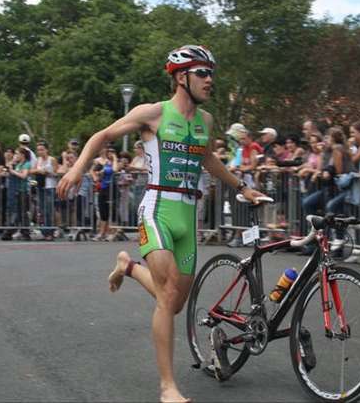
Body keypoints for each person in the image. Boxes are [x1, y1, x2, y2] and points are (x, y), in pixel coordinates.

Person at [57, 45, 266, 403]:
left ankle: (128, 266)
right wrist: (77, 168)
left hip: (189, 217)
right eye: (202, 73)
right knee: (167, 294)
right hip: (157, 210)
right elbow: (101, 136)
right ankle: (168, 388)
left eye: (211, 73)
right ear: (180, 77)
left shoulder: (206, 121)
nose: (209, 80)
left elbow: (208, 160)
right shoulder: (153, 113)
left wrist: (243, 187)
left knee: (175, 303)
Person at [32, 141, 59, 240]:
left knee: (49, 210)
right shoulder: (37, 160)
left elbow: (57, 173)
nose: (40, 152)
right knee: (42, 210)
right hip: (40, 186)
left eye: (42, 149)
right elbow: (32, 170)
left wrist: (48, 172)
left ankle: (50, 232)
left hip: (50, 186)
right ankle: (45, 231)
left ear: (46, 150)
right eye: (38, 150)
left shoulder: (52, 160)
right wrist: (39, 171)